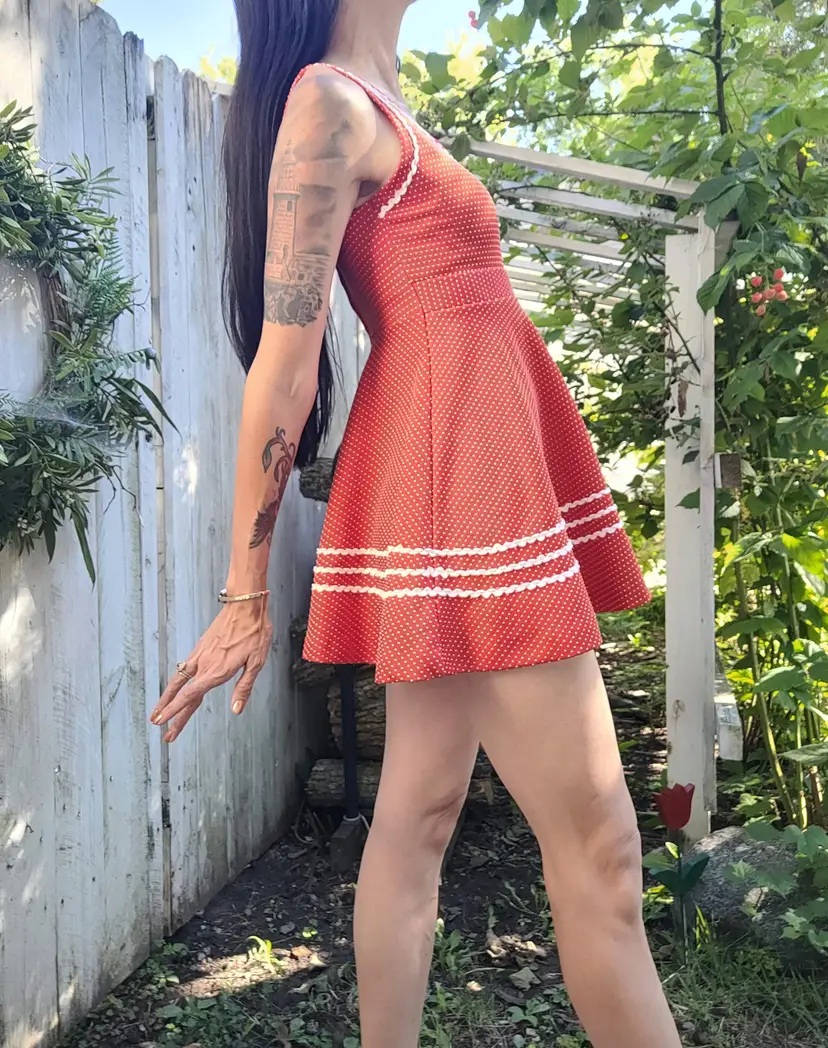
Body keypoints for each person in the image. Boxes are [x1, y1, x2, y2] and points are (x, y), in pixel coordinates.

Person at [150, 2, 682, 1045]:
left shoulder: (379, 101)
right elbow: (285, 367)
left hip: (459, 460)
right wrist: (243, 592)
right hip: (460, 478)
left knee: (419, 812)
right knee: (604, 849)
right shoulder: (329, 101)